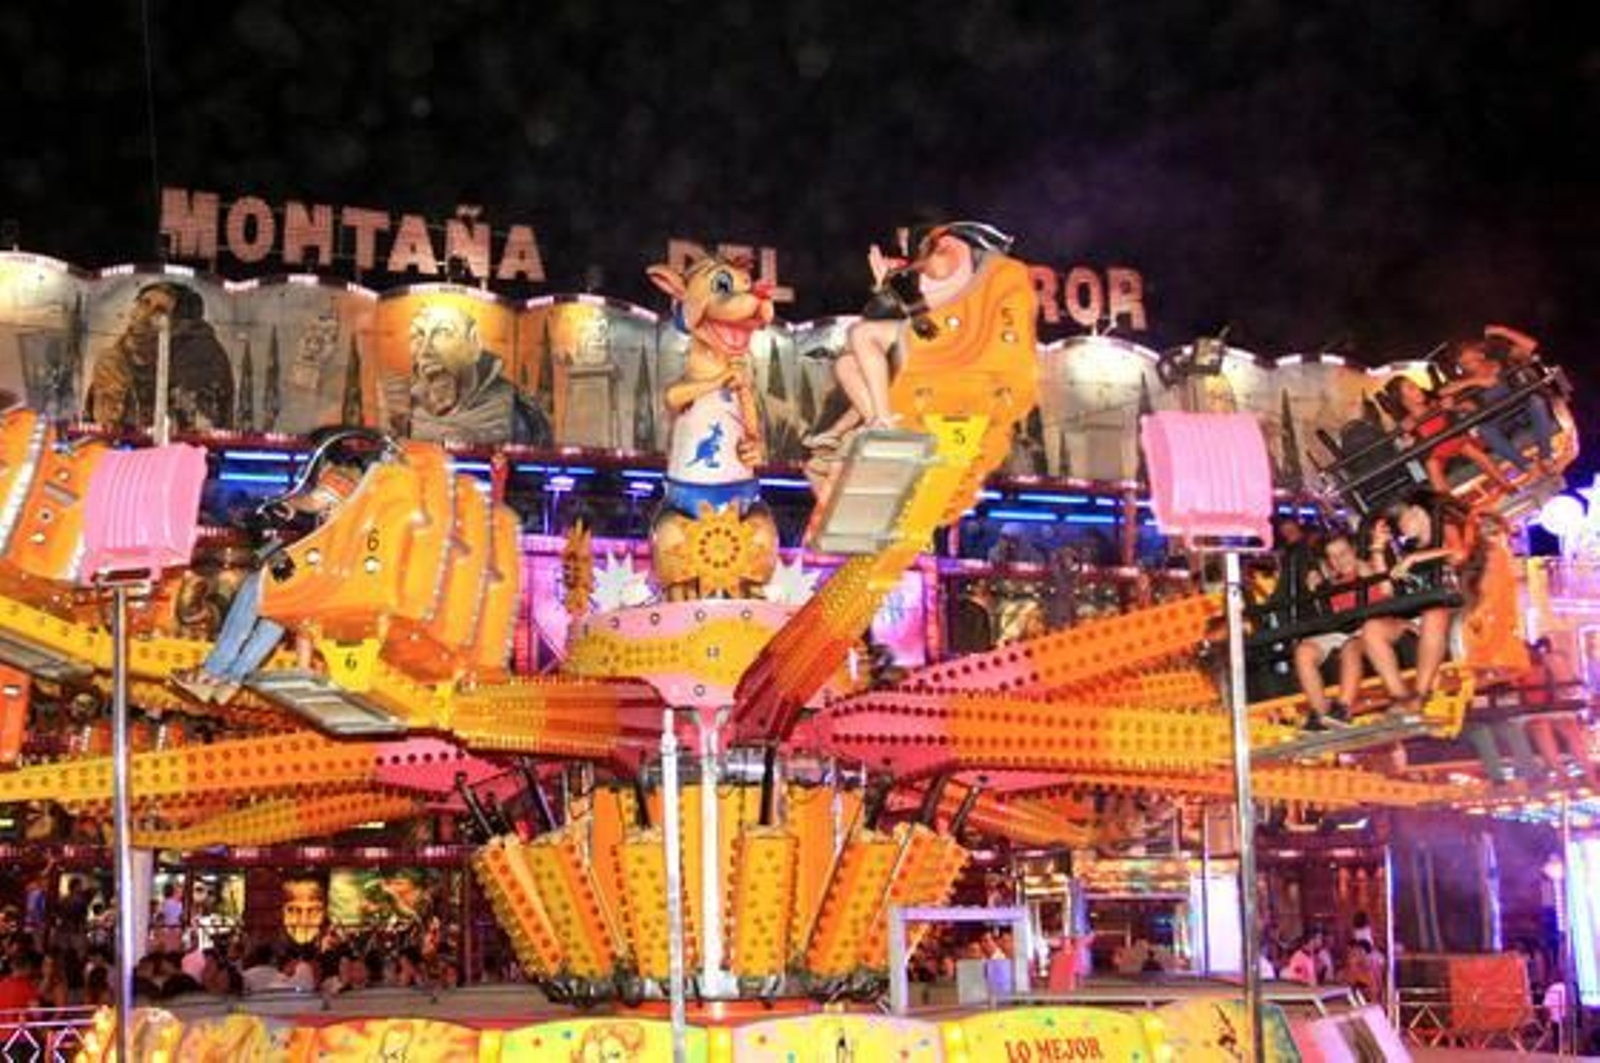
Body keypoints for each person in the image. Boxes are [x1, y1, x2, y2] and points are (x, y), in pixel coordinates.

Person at [170, 457, 359, 704]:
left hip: (320, 564)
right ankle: (232, 680)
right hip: (330, 571)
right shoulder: (361, 495)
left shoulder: (342, 479)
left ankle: (212, 672)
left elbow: (315, 501)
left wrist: (287, 501)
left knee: (255, 587)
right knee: (276, 614)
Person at [807, 222, 1010, 445]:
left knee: (863, 334)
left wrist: (892, 283)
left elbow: (926, 318)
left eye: (909, 241)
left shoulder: (950, 267)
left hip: (952, 342)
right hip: (922, 346)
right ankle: (881, 426)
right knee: (846, 365)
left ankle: (883, 421)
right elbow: (897, 315)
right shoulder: (920, 275)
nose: (905, 248)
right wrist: (885, 286)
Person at [85, 281, 235, 432]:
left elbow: (195, 430)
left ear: (179, 326)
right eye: (143, 303)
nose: (143, 316)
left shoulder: (201, 361)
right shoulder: (114, 360)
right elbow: (100, 424)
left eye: (160, 311)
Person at [405, 303, 550, 446]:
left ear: (473, 342)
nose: (425, 350)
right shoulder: (406, 408)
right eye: (418, 335)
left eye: (443, 332)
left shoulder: (519, 412)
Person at [1442, 335, 1557, 478]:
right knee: (1484, 429)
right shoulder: (1465, 381)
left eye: (1468, 359)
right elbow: (1444, 392)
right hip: (1501, 421)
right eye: (1463, 363)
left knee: (1536, 401)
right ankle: (1526, 465)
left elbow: (1528, 349)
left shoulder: (1502, 361)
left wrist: (1500, 331)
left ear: (1480, 354)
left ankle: (1546, 456)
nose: (1466, 364)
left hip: (1522, 410)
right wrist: (1473, 382)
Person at [1384, 375, 1511, 495]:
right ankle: (1452, 510)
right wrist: (1406, 439)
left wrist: (1454, 406)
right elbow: (1404, 450)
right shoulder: (1406, 422)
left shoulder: (1436, 403)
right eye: (1411, 388)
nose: (1417, 389)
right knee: (1432, 466)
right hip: (1435, 452)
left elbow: (1469, 407)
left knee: (1475, 452)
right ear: (1402, 399)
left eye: (1415, 385)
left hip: (1454, 441)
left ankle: (1508, 487)